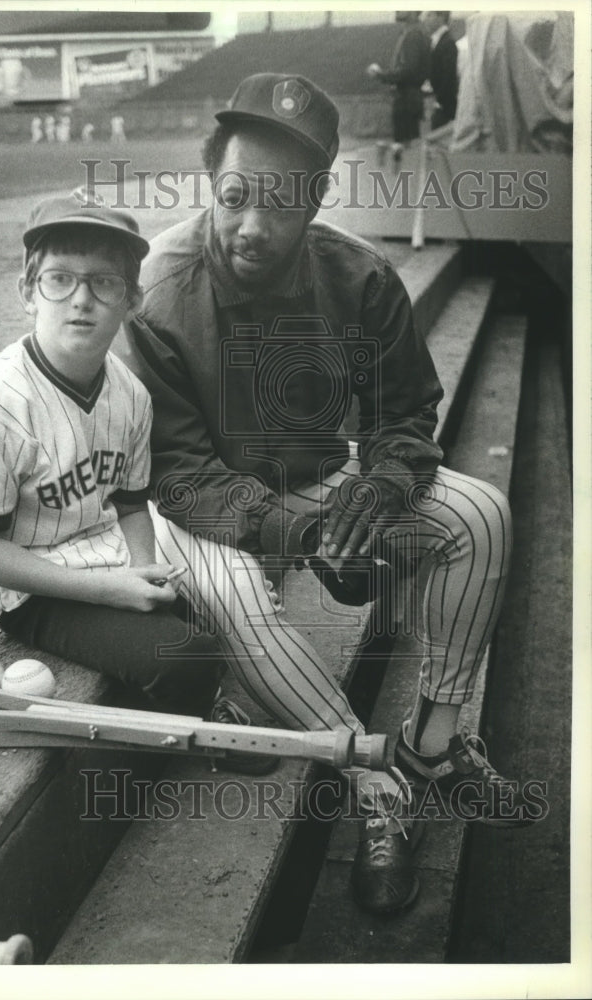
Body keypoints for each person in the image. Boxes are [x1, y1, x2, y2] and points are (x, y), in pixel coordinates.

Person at [112, 72, 541, 915]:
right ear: (212, 181)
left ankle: (434, 743)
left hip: (322, 474)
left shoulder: (359, 275)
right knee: (239, 593)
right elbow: (182, 475)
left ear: (314, 201)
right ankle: (376, 786)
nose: (251, 225)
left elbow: (407, 411)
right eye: (235, 197)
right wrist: (303, 536)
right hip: (205, 502)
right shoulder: (157, 290)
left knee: (481, 513)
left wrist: (382, 482)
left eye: (280, 203)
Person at [0, 189, 251, 736]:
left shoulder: (129, 392)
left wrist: (139, 570)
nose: (80, 299)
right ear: (28, 293)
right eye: (59, 278)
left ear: (131, 300)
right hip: (27, 582)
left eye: (104, 282)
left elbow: (131, 501)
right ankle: (180, 736)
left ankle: (178, 708)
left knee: (192, 608)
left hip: (100, 549)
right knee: (183, 654)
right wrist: (114, 590)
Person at [367, 11, 430, 162]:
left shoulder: (413, 35)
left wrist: (381, 75)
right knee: (405, 150)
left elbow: (408, 70)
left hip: (407, 100)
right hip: (407, 97)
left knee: (405, 153)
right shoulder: (411, 33)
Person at [423, 11, 458, 128]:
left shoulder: (447, 42)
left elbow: (449, 76)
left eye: (429, 15)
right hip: (440, 106)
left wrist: (438, 101)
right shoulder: (437, 41)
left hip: (445, 110)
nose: (425, 19)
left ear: (441, 17)